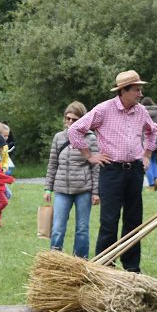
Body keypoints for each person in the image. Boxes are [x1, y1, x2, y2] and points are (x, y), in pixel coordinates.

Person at [68, 70, 157, 273]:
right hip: (111, 171)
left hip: (134, 170)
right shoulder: (104, 109)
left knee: (134, 221)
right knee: (109, 220)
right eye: (137, 89)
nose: (140, 93)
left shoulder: (141, 111)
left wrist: (147, 156)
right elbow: (75, 130)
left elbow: (153, 131)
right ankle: (104, 267)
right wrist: (90, 156)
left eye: (140, 89)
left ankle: (132, 268)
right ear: (123, 91)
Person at [44, 102, 100, 258]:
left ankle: (80, 261)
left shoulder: (90, 139)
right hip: (61, 189)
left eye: (74, 119)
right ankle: (55, 260)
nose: (69, 122)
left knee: (82, 229)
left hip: (83, 190)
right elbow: (52, 164)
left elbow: (96, 168)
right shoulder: (59, 137)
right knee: (57, 228)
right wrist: (48, 188)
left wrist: (96, 192)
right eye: (67, 118)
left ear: (82, 120)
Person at [141, 97, 157, 190]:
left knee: (147, 161)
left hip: (145, 141)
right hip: (156, 140)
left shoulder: (141, 112)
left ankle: (152, 184)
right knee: (154, 161)